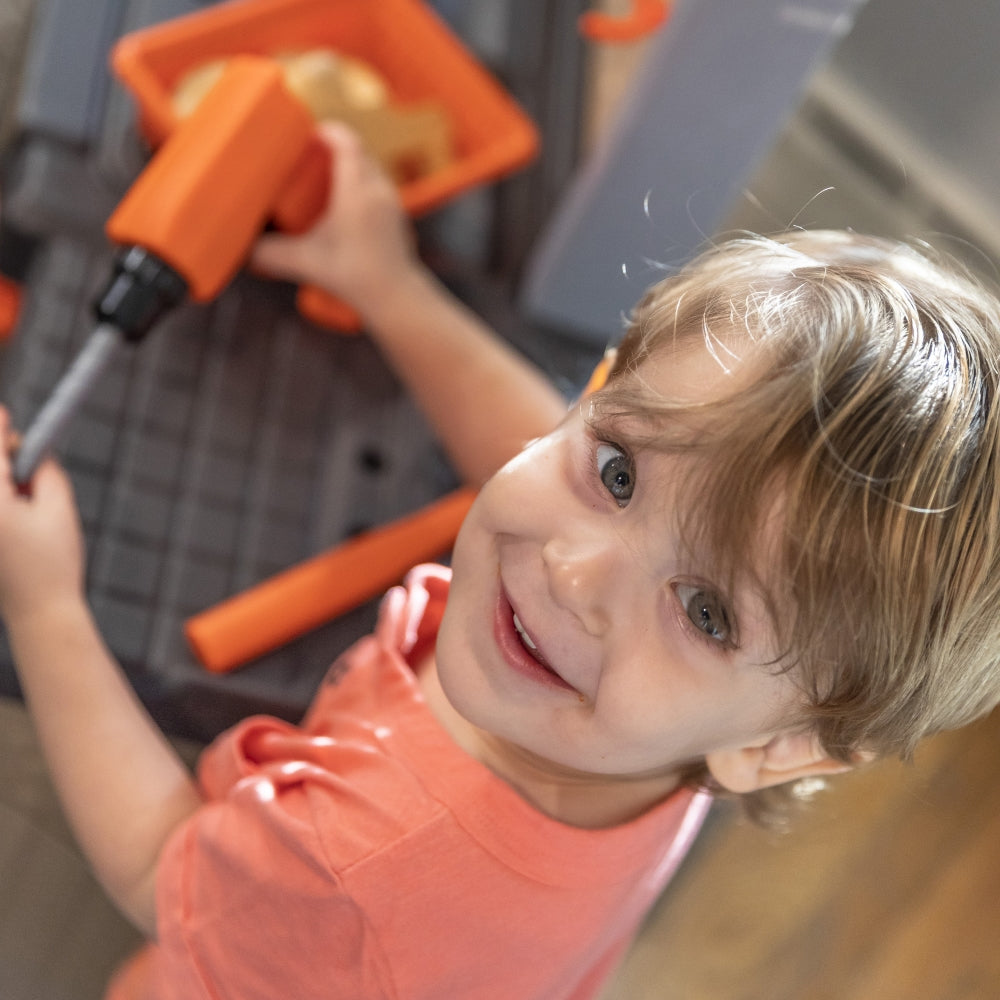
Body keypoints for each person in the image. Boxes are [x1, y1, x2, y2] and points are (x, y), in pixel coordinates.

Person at [0, 122, 999, 999]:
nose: (574, 572)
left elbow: (161, 867)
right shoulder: (688, 728)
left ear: (785, 748)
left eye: (704, 611)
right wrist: (389, 289)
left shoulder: (353, 865)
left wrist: (45, 607)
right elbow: (549, 434)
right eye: (618, 473)